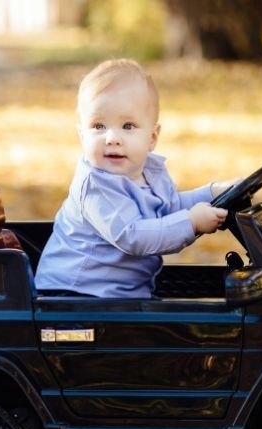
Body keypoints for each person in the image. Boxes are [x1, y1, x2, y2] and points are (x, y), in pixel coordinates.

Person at [34, 58, 237, 299]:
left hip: (118, 296)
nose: (112, 137)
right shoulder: (96, 185)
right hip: (74, 296)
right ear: (82, 136)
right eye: (98, 126)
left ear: (152, 137)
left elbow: (169, 207)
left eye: (128, 126)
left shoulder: (149, 172)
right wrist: (191, 223)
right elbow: (132, 235)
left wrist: (213, 193)